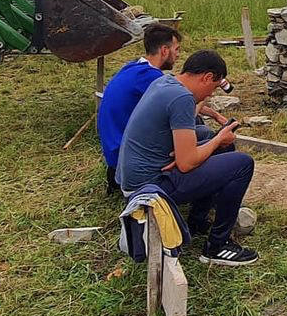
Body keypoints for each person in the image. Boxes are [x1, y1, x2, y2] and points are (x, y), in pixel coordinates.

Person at [117, 50, 257, 266]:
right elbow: (187, 163)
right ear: (207, 77)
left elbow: (176, 143)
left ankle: (197, 221)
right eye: (213, 87)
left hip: (136, 179)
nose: (210, 95)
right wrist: (219, 139)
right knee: (242, 163)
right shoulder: (181, 98)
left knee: (207, 138)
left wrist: (204, 146)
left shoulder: (165, 83)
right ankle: (217, 247)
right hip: (149, 190)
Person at [97, 24, 229, 194]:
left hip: (116, 150)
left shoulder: (135, 68)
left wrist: (215, 114)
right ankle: (209, 189)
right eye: (177, 49)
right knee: (203, 132)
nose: (178, 55)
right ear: (165, 50)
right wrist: (204, 96)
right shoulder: (153, 79)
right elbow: (183, 110)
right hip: (128, 159)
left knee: (198, 128)